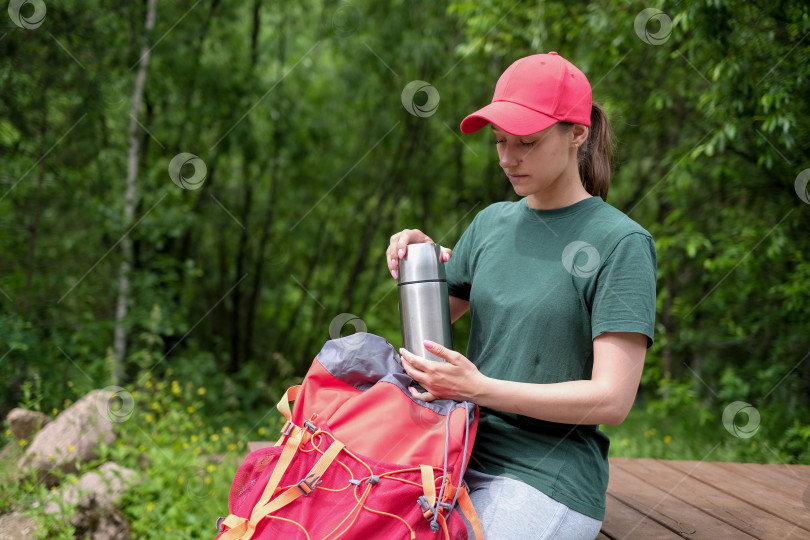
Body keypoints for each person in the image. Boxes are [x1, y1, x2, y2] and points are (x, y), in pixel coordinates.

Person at [386, 52, 657, 539]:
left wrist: (478, 388)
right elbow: (426, 336)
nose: (508, 158)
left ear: (578, 133)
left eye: (527, 143)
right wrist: (419, 265)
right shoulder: (492, 222)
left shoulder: (621, 243)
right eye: (499, 142)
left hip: (547, 477)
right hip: (454, 452)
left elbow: (612, 399)